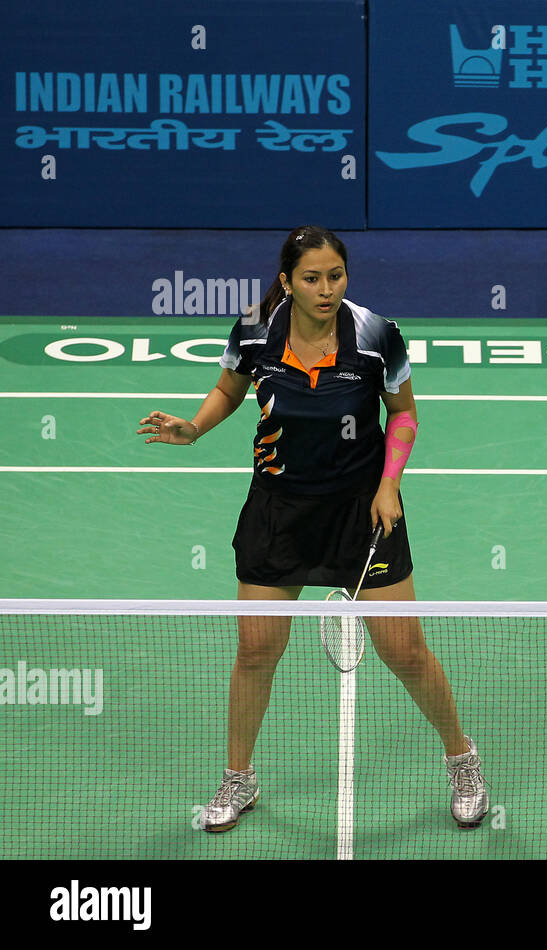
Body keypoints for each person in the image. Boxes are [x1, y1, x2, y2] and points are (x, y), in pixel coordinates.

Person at [138, 225, 488, 832]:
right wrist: (194, 428)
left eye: (336, 276)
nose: (326, 289)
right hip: (280, 509)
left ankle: (462, 759)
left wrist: (387, 484)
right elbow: (230, 386)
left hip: (361, 510)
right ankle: (239, 776)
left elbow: (402, 413)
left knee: (404, 651)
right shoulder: (254, 329)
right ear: (286, 283)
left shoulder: (376, 335)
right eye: (311, 278)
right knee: (255, 651)